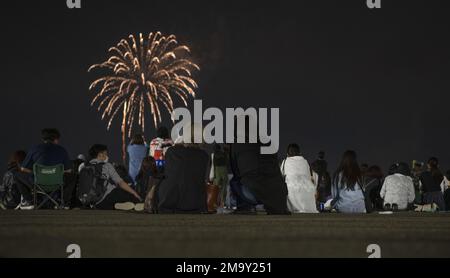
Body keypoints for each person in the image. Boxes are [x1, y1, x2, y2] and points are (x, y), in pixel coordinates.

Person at [13, 129, 74, 210]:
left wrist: (38, 173)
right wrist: (54, 173)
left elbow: (23, 168)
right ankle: (64, 202)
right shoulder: (62, 150)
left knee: (16, 175)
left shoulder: (35, 148)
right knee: (73, 176)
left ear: (43, 139)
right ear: (56, 139)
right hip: (57, 183)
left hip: (38, 183)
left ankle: (29, 201)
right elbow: (68, 171)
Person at [157, 123, 209, 214]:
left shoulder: (171, 152)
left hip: (168, 199)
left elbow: (168, 174)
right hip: (194, 202)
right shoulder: (204, 156)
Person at [80, 144, 143, 211]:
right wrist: (134, 193)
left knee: (109, 201)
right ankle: (135, 204)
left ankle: (115, 205)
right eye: (105, 154)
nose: (107, 156)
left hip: (95, 202)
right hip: (109, 195)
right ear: (100, 154)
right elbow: (120, 182)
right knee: (132, 195)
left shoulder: (84, 167)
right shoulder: (107, 166)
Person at [281, 144, 318, 213]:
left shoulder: (285, 161)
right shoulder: (305, 161)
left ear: (287, 154)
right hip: (308, 192)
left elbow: (281, 177)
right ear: (300, 153)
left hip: (291, 191)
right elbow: (312, 177)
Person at [209, 144, 229, 208]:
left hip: (217, 170)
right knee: (224, 188)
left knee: (215, 188)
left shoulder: (213, 155)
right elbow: (227, 162)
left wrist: (212, 175)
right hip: (224, 169)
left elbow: (212, 165)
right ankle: (222, 203)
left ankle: (215, 202)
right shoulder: (224, 154)